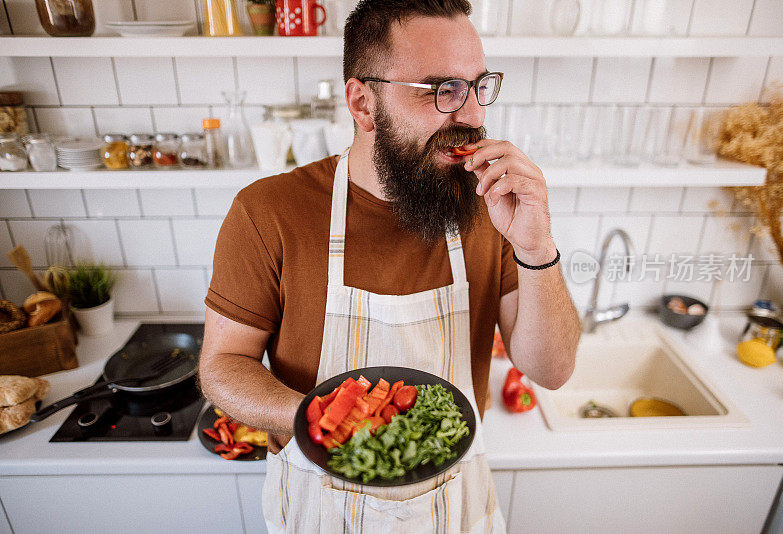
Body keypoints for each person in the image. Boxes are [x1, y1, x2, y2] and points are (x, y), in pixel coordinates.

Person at [199, 0, 580, 531]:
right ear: (363, 103)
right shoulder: (268, 211)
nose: (470, 116)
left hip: (456, 507)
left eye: (478, 86)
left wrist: (536, 247)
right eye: (440, 90)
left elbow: (552, 370)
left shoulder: (491, 207)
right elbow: (221, 366)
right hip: (318, 505)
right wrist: (325, 424)